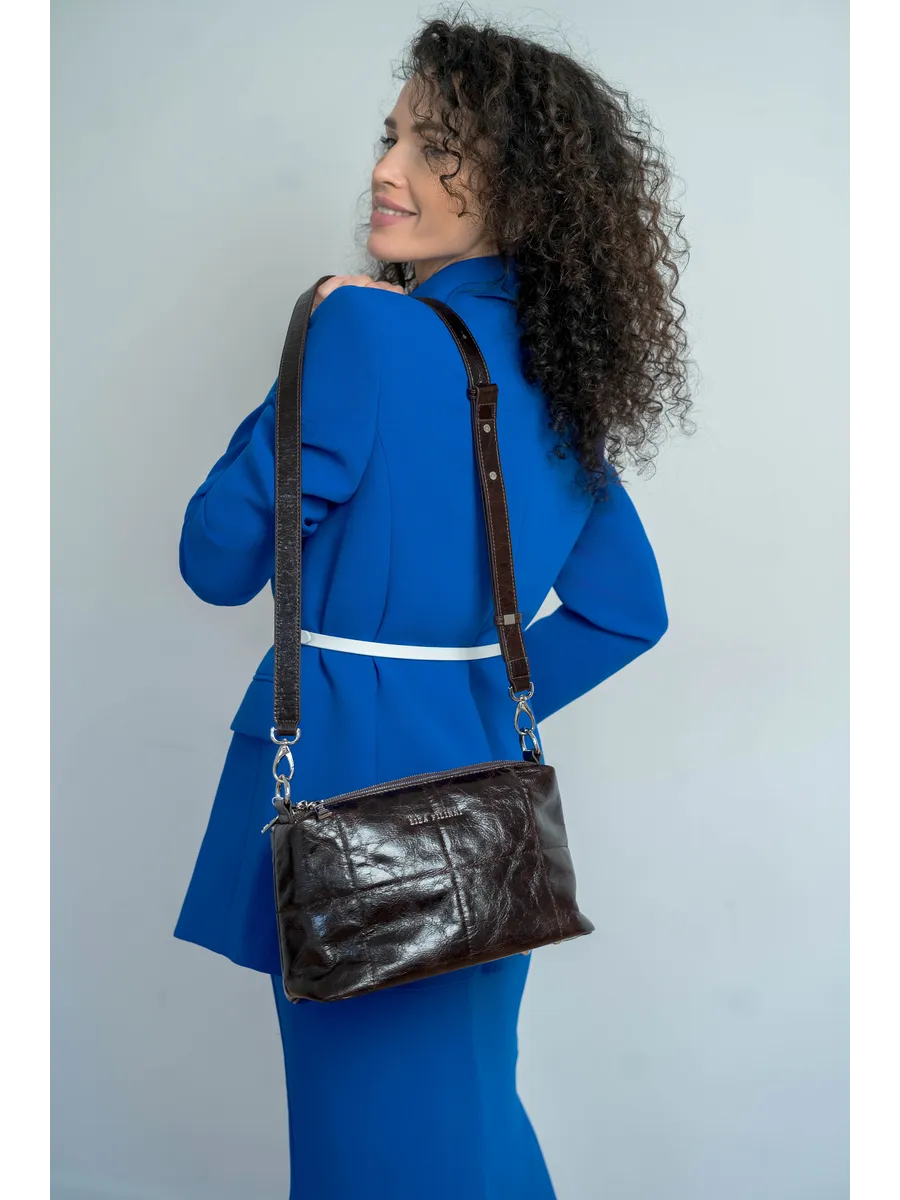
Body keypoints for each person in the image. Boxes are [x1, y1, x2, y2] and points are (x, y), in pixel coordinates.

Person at [173, 13, 692, 1199]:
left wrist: (306, 346)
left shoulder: (364, 326)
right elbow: (625, 612)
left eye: (436, 146)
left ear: (522, 185)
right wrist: (472, 702)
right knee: (470, 1115)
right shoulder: (559, 372)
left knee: (372, 1155)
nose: (388, 168)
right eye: (392, 134)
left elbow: (216, 558)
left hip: (346, 805)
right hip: (489, 818)